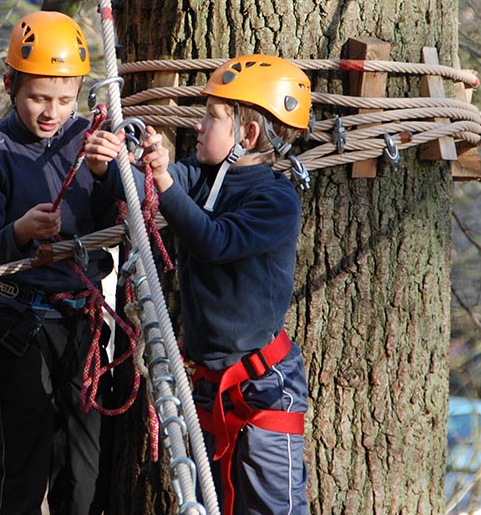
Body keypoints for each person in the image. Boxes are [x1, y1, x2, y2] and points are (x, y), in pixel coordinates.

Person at [85, 54, 313, 515]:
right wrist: (107, 166)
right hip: (213, 382)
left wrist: (167, 182)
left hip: (263, 385)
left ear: (246, 136)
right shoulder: (204, 174)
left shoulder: (275, 198)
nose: (200, 127)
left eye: (212, 118)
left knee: (272, 508)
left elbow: (216, 240)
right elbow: (140, 189)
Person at [0, 10, 116, 515]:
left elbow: (123, 221)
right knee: (19, 468)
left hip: (82, 322)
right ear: (10, 85)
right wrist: (19, 231)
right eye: (38, 98)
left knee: (84, 468)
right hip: (21, 322)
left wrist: (106, 174)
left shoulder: (88, 142)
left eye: (64, 100)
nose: (51, 112)